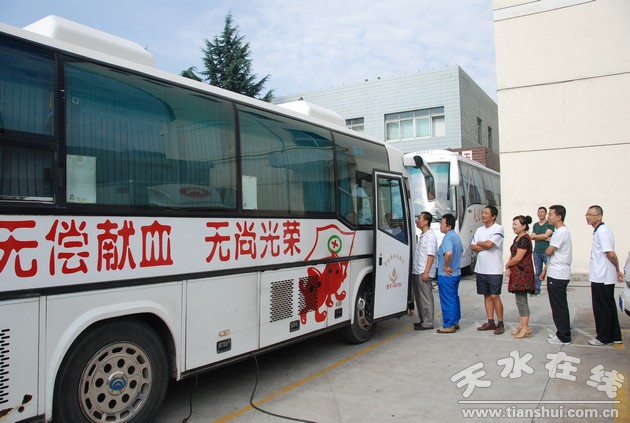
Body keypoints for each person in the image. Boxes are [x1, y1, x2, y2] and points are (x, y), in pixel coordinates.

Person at [585, 205, 624, 346]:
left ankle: (603, 337)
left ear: (599, 216)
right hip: (602, 275)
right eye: (587, 214)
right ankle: (615, 335)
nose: (588, 217)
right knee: (608, 306)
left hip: (601, 276)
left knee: (601, 308)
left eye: (591, 214)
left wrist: (617, 269)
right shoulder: (600, 231)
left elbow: (611, 254)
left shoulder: (602, 231)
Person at [540, 205, 573, 345]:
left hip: (558, 274)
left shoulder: (561, 232)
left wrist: (547, 245)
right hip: (556, 272)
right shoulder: (560, 231)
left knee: (559, 306)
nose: (548, 217)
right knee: (558, 305)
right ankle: (561, 332)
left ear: (559, 217)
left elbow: (549, 251)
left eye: (550, 214)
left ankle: (564, 336)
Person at [471, 205, 506, 335]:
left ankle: (500, 323)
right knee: (486, 295)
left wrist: (481, 243)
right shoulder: (479, 230)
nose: (483, 215)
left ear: (493, 216)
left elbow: (490, 244)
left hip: (494, 269)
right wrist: (484, 244)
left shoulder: (498, 228)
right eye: (483, 213)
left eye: (486, 213)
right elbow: (472, 247)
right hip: (481, 269)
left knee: (495, 296)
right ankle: (490, 321)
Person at [505, 215, 536, 338]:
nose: (513, 226)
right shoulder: (517, 238)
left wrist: (508, 264)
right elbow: (513, 254)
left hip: (523, 274)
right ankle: (521, 325)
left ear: (523, 226)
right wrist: (509, 267)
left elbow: (518, 257)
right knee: (519, 301)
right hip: (517, 273)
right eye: (513, 224)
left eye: (516, 224)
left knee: (522, 301)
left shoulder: (524, 239)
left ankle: (525, 327)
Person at [436, 213, 463, 334]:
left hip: (447, 275)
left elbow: (448, 253)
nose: (440, 226)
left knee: (447, 300)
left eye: (442, 223)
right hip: (456, 273)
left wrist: (446, 265)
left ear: (449, 226)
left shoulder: (448, 238)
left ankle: (449, 324)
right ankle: (455, 321)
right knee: (453, 298)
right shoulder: (456, 236)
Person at [412, 212, 438, 330]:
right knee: (419, 298)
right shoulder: (422, 235)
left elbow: (430, 255)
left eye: (419, 219)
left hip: (423, 272)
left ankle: (428, 322)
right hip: (417, 271)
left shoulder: (430, 237)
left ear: (426, 222)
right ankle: (423, 320)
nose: (417, 221)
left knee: (426, 298)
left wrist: (426, 272)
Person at [530, 206, 554, 296]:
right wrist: (543, 237)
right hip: (536, 251)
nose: (540, 214)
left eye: (542, 212)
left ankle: (551, 287)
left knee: (550, 270)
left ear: (545, 213)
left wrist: (538, 237)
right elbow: (532, 237)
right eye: (539, 212)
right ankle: (537, 289)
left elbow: (546, 235)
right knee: (538, 272)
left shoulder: (550, 224)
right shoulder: (535, 225)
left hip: (546, 251)